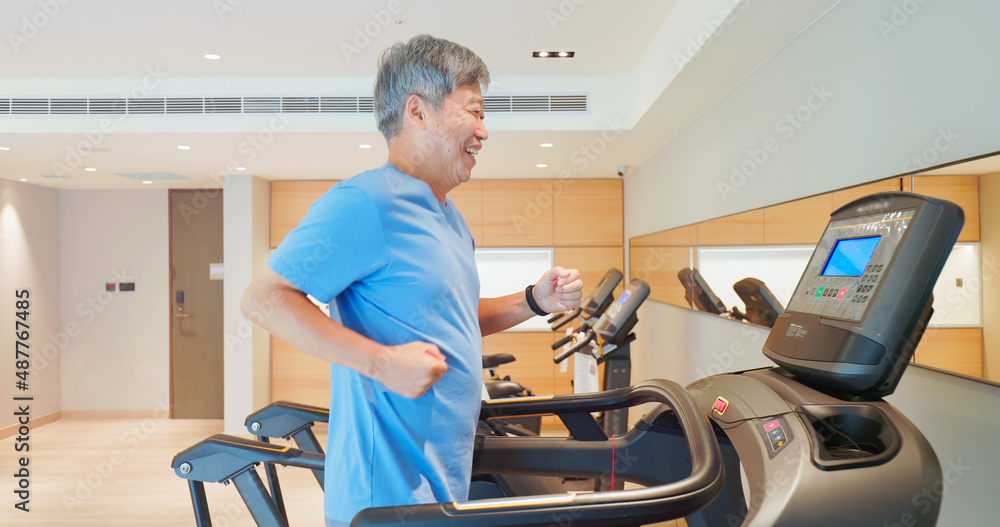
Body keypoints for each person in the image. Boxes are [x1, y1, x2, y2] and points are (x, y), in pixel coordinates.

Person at [241, 34, 583, 526]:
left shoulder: (449, 217)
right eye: (474, 112)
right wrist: (381, 363)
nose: (484, 132)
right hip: (387, 492)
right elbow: (263, 300)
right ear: (418, 112)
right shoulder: (364, 202)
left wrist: (533, 300)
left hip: (441, 477)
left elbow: (454, 319)